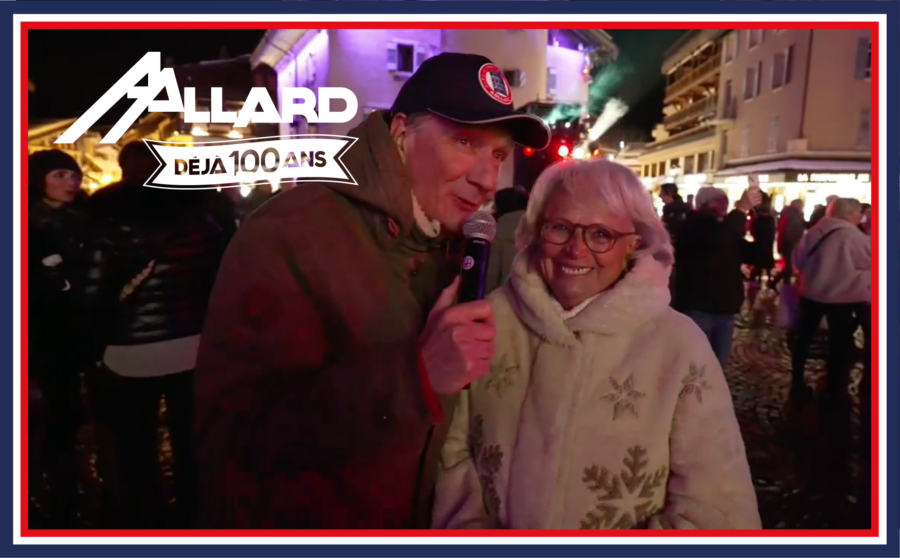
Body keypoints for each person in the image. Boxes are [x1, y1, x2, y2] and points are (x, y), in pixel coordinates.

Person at [192, 53, 551, 528]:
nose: (487, 180)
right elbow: (235, 434)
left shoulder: (453, 241)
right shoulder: (290, 233)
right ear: (401, 133)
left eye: (499, 155)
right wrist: (416, 379)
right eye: (465, 142)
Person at [432, 159, 760, 530]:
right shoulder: (486, 321)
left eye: (601, 234)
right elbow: (451, 453)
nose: (576, 249)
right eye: (560, 227)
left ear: (634, 243)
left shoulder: (679, 347)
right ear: (537, 231)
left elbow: (714, 507)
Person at [78, 141, 233, 528]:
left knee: (136, 446)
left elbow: (93, 295)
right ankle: (194, 515)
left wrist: (93, 348)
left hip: (128, 352)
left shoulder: (106, 215)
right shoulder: (202, 214)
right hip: (192, 345)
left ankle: (146, 521)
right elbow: (221, 280)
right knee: (191, 440)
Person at [27, 149, 90, 527]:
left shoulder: (85, 217)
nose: (71, 182)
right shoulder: (29, 223)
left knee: (70, 413)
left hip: (79, 329)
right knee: (54, 417)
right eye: (60, 175)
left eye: (74, 175)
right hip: (46, 334)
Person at [789, 198, 871, 409]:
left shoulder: (816, 230)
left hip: (811, 293)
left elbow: (797, 258)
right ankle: (834, 385)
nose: (860, 217)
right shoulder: (853, 235)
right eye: (858, 212)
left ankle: (797, 378)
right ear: (849, 214)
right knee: (839, 341)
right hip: (842, 297)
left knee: (804, 336)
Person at [674, 186, 757, 369]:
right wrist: (740, 212)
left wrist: (763, 220)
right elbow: (716, 240)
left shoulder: (725, 228)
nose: (724, 204)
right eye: (718, 200)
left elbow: (755, 254)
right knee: (696, 366)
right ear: (703, 204)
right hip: (699, 307)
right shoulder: (692, 226)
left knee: (718, 367)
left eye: (725, 200)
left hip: (725, 308)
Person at [773, 199, 806, 290]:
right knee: (789, 266)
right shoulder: (790, 214)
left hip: (792, 241)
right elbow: (787, 229)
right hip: (789, 242)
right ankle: (784, 283)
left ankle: (779, 282)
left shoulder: (796, 214)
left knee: (789, 266)